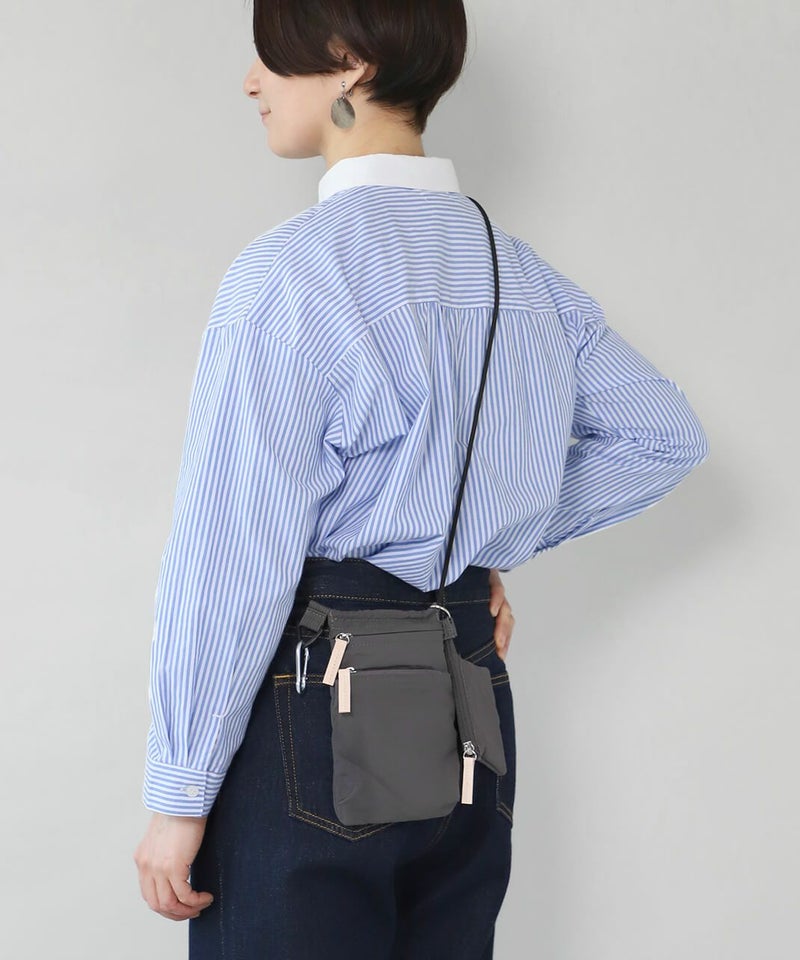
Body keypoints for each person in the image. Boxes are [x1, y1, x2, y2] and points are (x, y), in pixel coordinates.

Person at [133, 1, 710, 956]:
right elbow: (663, 436)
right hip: (466, 693)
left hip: (313, 698)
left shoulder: (290, 275)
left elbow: (233, 554)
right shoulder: (520, 277)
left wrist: (180, 793)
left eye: (270, 56)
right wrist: (478, 543)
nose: (251, 81)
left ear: (347, 62)